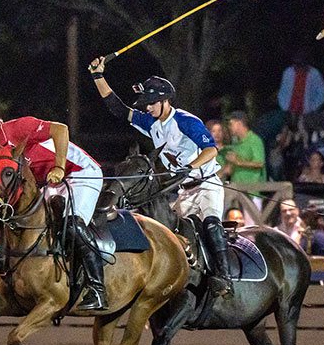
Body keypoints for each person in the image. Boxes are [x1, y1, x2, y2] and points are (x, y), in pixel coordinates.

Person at [88, 56, 232, 297]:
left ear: (165, 101)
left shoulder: (186, 121)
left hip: (206, 186)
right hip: (182, 191)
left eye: (152, 103)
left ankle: (224, 279)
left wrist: (191, 165)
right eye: (146, 104)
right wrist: (97, 76)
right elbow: (118, 109)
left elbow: (211, 149)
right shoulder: (151, 122)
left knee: (211, 224)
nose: (147, 107)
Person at [0, 101, 106, 309]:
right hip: (51, 182)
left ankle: (98, 289)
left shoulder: (17, 128)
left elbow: (61, 130)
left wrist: (59, 167)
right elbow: (5, 205)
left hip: (80, 173)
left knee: (71, 224)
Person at [277, 52, 324, 125]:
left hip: (307, 112)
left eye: (300, 64)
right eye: (296, 64)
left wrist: (312, 108)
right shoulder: (288, 72)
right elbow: (282, 91)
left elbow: (322, 94)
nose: (298, 67)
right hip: (289, 110)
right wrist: (284, 106)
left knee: (303, 131)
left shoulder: (314, 74)